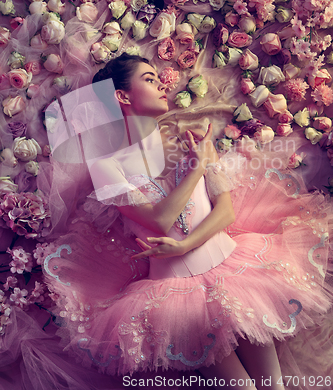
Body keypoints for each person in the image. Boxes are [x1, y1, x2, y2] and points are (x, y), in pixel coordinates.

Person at [43, 53, 333, 390]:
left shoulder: (187, 142)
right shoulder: (106, 167)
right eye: (149, 79)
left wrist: (185, 244)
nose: (161, 84)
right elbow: (160, 219)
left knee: (274, 386)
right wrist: (197, 167)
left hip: (237, 273)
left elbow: (226, 211)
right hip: (178, 298)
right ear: (122, 95)